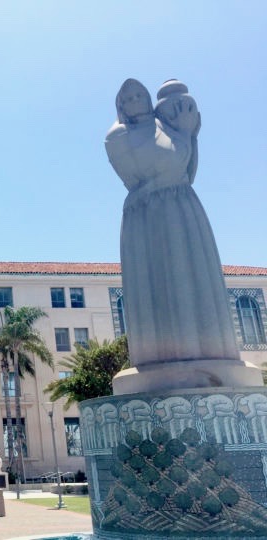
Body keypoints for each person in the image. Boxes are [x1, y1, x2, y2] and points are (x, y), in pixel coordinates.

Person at [105, 79, 257, 393]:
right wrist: (184, 134)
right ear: (121, 106)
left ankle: (209, 349)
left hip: (182, 206)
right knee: (156, 281)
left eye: (140, 95)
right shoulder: (117, 136)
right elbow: (155, 165)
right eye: (128, 98)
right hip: (146, 212)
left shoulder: (170, 128)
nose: (135, 101)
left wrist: (187, 133)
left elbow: (185, 171)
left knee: (196, 272)